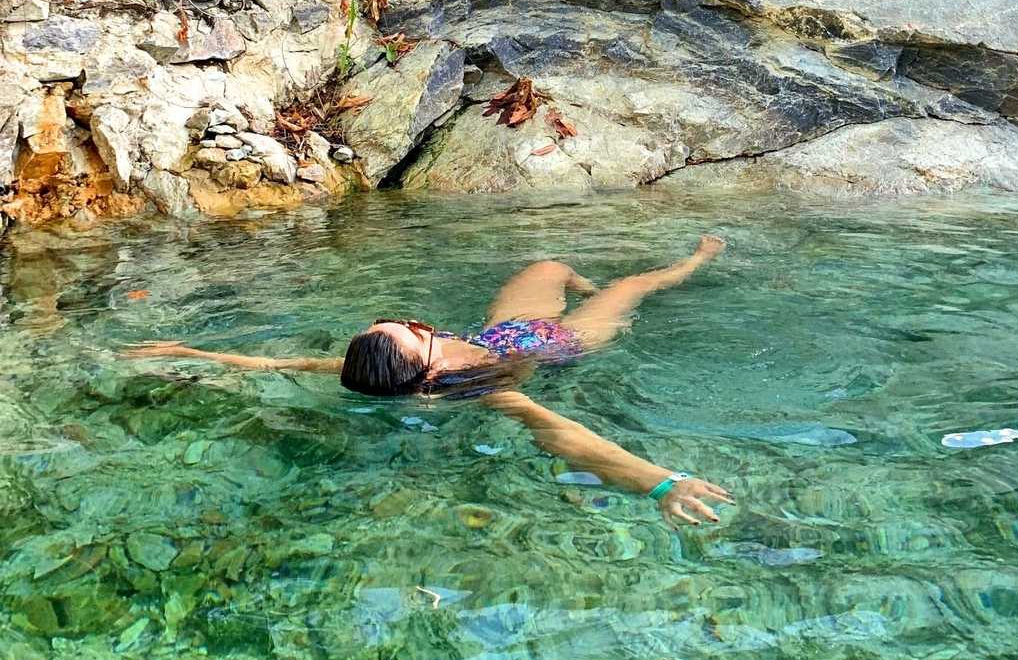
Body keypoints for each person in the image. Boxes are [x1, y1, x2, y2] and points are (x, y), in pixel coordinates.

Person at [124, 235, 733, 526]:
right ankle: (694, 262)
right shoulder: (491, 391)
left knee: (549, 264)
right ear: (432, 368)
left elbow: (275, 366)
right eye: (420, 330)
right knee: (632, 287)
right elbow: (566, 435)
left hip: (502, 332)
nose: (425, 323)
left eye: (407, 321)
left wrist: (189, 353)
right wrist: (660, 484)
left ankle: (585, 288)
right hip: (556, 347)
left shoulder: (372, 374)